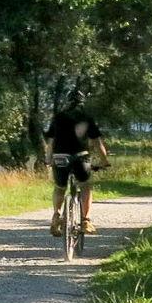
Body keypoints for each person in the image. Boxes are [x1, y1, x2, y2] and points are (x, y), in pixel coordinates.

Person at [44, 86, 110, 234]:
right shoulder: (86, 118)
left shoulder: (58, 117)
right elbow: (98, 144)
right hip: (81, 157)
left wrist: (48, 159)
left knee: (60, 187)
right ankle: (86, 221)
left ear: (67, 102)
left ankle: (56, 216)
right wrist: (104, 161)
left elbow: (51, 143)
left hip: (60, 157)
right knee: (85, 186)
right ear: (82, 102)